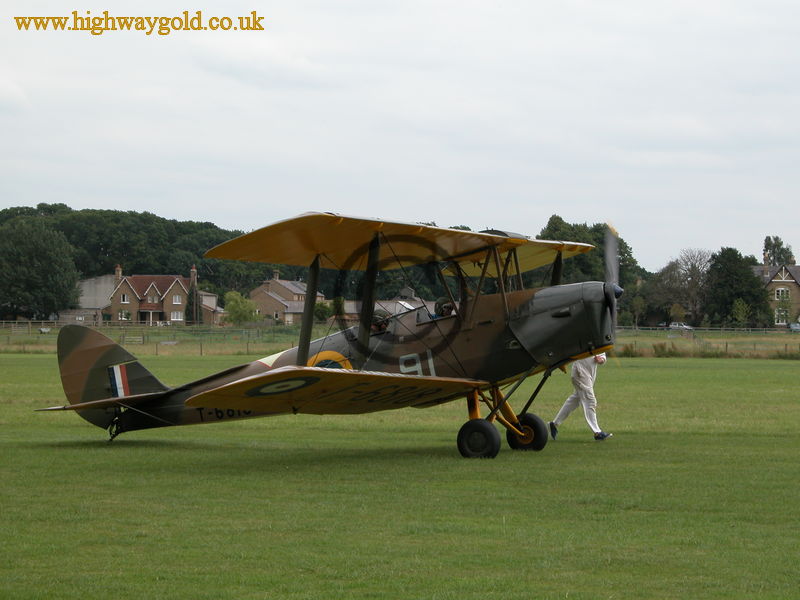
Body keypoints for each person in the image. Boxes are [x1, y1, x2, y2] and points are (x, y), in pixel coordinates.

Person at [549, 353, 613, 441]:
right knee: (590, 401)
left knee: (574, 400)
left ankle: (554, 424)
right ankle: (597, 432)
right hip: (580, 373)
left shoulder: (595, 340)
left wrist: (601, 359)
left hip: (589, 375)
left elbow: (602, 354)